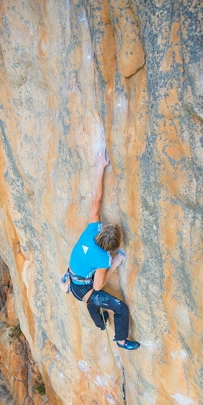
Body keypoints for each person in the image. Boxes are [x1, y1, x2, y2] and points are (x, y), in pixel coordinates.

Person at [66, 149, 140, 350]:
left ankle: (100, 323)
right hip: (83, 288)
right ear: (111, 249)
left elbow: (96, 199)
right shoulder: (103, 260)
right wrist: (114, 264)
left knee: (94, 303)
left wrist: (101, 167)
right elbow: (97, 287)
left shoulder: (92, 229)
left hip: (74, 278)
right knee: (120, 308)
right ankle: (122, 340)